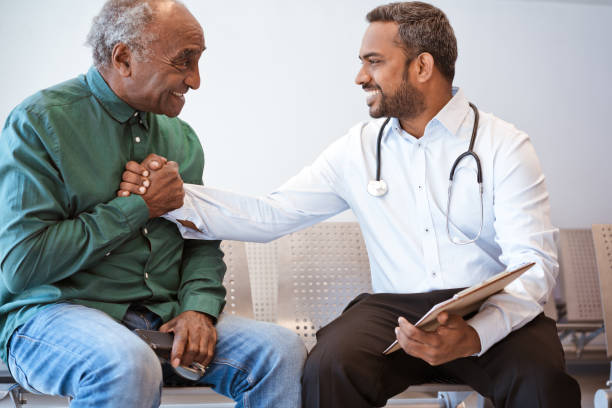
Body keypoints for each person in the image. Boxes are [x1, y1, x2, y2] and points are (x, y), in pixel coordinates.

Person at [120, 2, 581, 407]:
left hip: (489, 306)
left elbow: (534, 265)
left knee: (543, 383)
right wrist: (173, 198)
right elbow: (272, 212)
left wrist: (478, 333)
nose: (360, 76)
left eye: (374, 62)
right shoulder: (358, 148)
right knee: (329, 368)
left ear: (422, 66)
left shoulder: (504, 146)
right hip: (395, 313)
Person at [0, 1, 306, 407]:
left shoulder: (182, 139)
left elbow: (199, 241)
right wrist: (139, 207)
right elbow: (22, 266)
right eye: (184, 62)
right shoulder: (40, 122)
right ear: (124, 58)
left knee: (280, 353)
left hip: (161, 318)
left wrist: (198, 309)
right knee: (125, 363)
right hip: (53, 316)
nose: (195, 81)